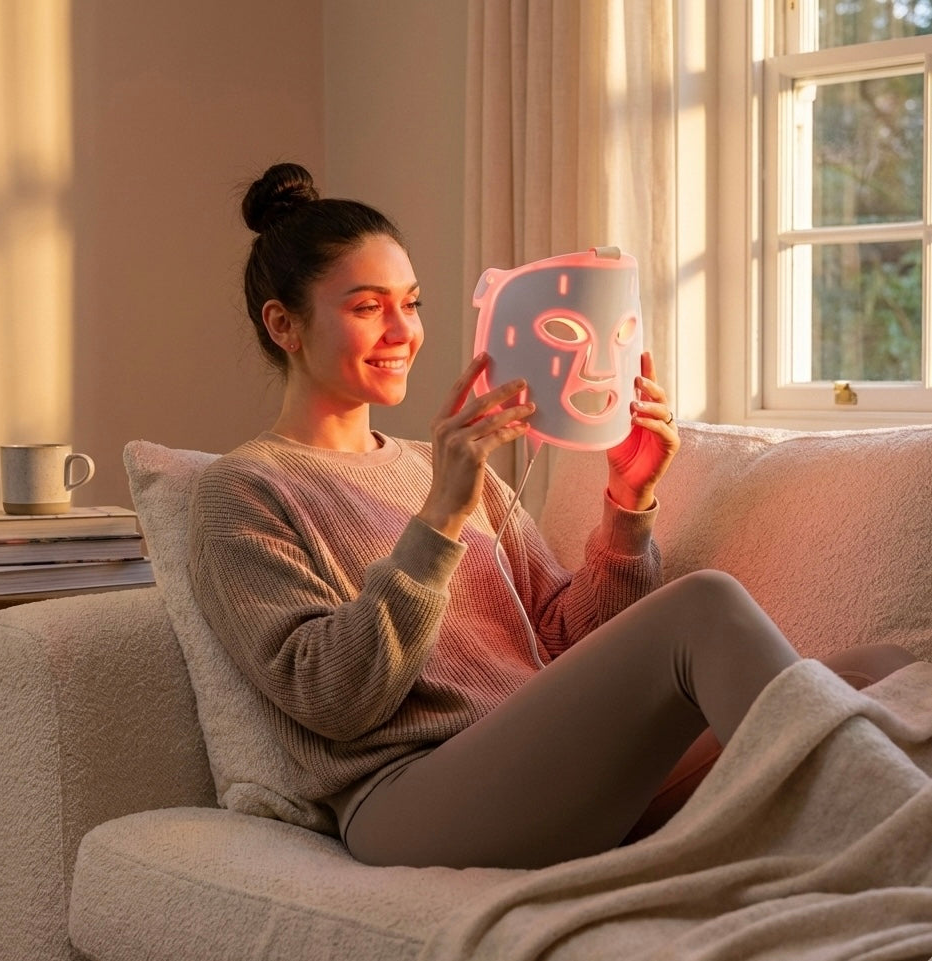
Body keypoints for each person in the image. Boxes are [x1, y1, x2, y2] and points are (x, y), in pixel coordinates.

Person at [188, 162, 916, 870]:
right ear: (283, 324)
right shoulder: (243, 491)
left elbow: (565, 638)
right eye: (366, 307)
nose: (402, 330)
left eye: (411, 303)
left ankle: (875, 844)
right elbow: (334, 697)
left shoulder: (436, 463)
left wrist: (628, 502)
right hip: (411, 798)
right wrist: (440, 516)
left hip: (547, 768)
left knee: (881, 672)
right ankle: (896, 851)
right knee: (704, 605)